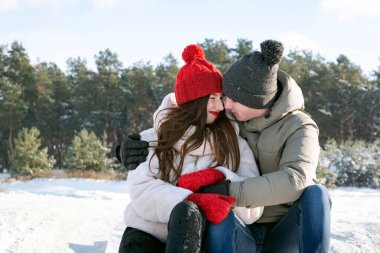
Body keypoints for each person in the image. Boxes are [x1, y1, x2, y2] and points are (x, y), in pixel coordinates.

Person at [117, 39, 331, 253]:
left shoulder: (294, 127)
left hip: (279, 229)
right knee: (217, 215)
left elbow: (296, 179)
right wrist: (122, 149)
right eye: (222, 97)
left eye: (231, 99)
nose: (224, 105)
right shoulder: (229, 118)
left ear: (257, 101)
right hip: (226, 229)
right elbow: (185, 105)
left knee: (316, 194)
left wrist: (224, 185)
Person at [118, 44, 263, 253]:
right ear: (193, 101)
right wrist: (191, 199)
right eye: (211, 98)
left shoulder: (234, 144)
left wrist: (217, 177)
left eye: (220, 97)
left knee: (188, 214)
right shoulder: (153, 138)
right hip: (146, 231)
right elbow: (141, 191)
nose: (220, 106)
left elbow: (255, 205)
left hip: (197, 240)